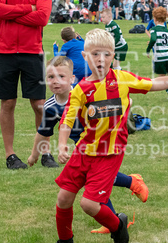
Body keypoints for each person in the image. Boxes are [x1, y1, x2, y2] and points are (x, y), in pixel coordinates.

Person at [45, 28, 168, 243]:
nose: (101, 59)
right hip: (83, 152)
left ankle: (117, 224)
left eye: (107, 54)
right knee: (63, 199)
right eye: (95, 54)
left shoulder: (122, 80)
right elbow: (66, 121)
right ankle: (65, 242)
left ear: (113, 56)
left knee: (89, 204)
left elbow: (154, 83)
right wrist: (62, 146)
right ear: (84, 56)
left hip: (109, 155)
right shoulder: (80, 90)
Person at [27, 57, 149, 226]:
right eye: (50, 78)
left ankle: (131, 185)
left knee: (96, 184)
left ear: (72, 79)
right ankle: (114, 217)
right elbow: (43, 132)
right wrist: (34, 155)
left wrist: (124, 103)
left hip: (104, 146)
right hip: (82, 150)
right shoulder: (50, 106)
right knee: (93, 186)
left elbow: (111, 104)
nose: (56, 82)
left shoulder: (85, 92)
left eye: (61, 77)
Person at [0, 0, 53, 170]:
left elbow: (43, 17)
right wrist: (28, 7)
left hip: (32, 51)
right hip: (5, 50)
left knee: (39, 104)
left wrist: (12, 11)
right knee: (8, 103)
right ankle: (10, 156)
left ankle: (44, 153)